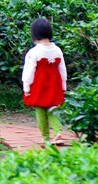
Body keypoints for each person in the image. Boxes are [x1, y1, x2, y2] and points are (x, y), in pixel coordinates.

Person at [23, 17, 68, 146]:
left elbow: (29, 71)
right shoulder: (57, 50)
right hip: (55, 85)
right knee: (53, 108)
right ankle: (58, 132)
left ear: (34, 34)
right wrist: (63, 86)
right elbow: (62, 70)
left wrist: (27, 88)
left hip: (39, 86)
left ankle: (45, 138)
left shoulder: (33, 52)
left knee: (40, 110)